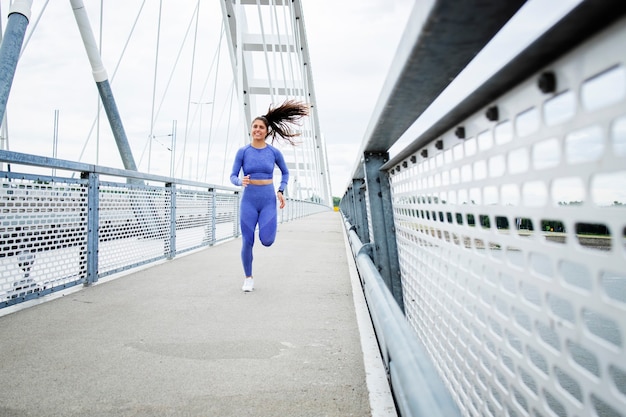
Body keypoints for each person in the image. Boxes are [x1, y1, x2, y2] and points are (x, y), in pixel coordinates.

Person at [230, 100, 309, 292]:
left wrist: (281, 190)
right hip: (248, 201)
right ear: (251, 130)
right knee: (248, 241)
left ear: (266, 131)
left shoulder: (273, 152)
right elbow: (232, 176)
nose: (257, 129)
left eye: (261, 127)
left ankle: (268, 226)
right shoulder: (243, 152)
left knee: (267, 241)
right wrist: (240, 182)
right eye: (254, 127)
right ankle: (248, 278)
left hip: (267, 201)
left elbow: (285, 172)